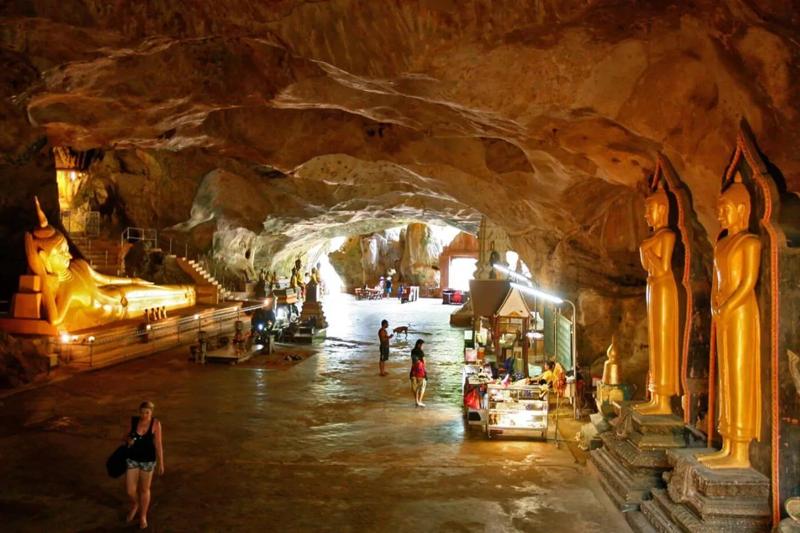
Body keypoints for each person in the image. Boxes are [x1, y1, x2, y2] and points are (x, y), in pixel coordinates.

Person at [124, 401, 164, 529]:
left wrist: (161, 463)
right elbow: (125, 436)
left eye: (147, 412)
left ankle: (143, 515)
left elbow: (158, 444)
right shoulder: (133, 421)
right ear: (139, 412)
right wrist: (128, 440)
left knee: (144, 489)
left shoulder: (155, 424)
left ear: (151, 413)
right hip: (133, 459)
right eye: (142, 412)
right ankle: (135, 504)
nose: (144, 415)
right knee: (130, 490)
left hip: (148, 460)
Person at [410, 339, 425, 404]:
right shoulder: (421, 352)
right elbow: (424, 362)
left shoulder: (412, 351)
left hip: (413, 369)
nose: (423, 347)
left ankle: (416, 401)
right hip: (420, 370)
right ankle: (420, 401)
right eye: (422, 345)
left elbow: (413, 362)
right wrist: (425, 371)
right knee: (422, 386)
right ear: (419, 345)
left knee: (414, 386)